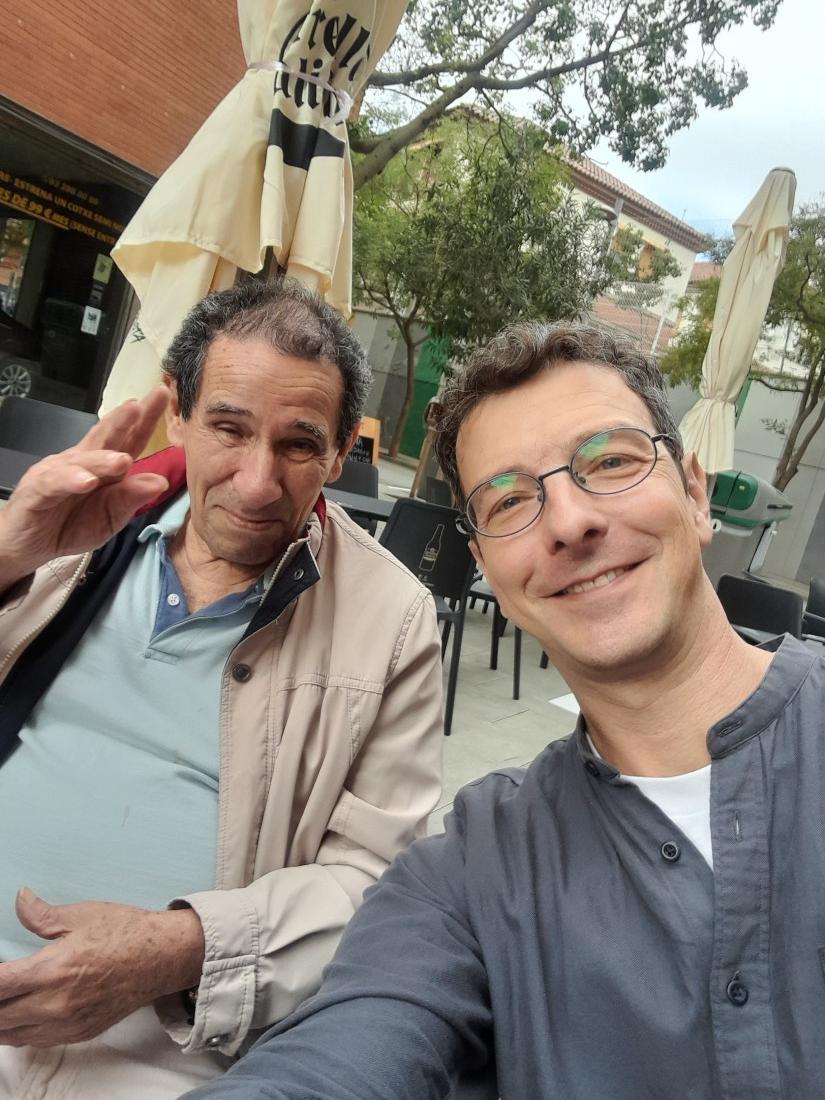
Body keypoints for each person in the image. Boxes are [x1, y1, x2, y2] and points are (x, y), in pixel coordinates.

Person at [188, 321, 825, 1100]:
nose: (568, 522)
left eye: (611, 462)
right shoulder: (471, 873)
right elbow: (341, 1054)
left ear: (694, 493)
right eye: (511, 500)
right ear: (485, 565)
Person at [0, 279, 443, 1097]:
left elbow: (374, 886)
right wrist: (9, 555)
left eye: (299, 445)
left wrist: (175, 950)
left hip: (169, 1055)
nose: (256, 482)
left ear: (341, 453)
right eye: (229, 429)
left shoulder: (392, 620)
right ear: (179, 414)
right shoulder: (73, 526)